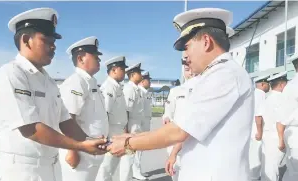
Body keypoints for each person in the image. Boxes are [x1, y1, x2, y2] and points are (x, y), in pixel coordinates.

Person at [107, 8, 254, 181]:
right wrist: (134, 137)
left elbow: (178, 132)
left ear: (206, 41)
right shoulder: (216, 75)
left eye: (187, 47)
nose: (186, 56)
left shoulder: (225, 74)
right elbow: (181, 126)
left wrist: (128, 144)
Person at [0, 8, 107, 181]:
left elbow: (65, 120)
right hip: (22, 170)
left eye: (54, 41)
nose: (53, 46)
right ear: (26, 40)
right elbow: (30, 128)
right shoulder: (11, 74)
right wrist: (80, 146)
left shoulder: (47, 80)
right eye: (46, 40)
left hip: (51, 168)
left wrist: (91, 140)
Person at [58, 36, 109, 181]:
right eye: (95, 57)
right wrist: (72, 151)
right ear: (80, 59)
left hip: (91, 151)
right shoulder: (76, 82)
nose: (99, 60)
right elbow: (67, 118)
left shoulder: (91, 82)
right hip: (80, 153)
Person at [95, 56, 133, 181]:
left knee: (111, 168)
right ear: (114, 70)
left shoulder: (117, 87)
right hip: (110, 132)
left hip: (118, 131)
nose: (124, 72)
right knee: (106, 169)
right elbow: (104, 113)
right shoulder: (109, 87)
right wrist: (105, 139)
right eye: (122, 69)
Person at [164, 59, 199, 181]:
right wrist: (167, 119)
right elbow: (167, 113)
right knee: (175, 175)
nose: (190, 73)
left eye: (191, 69)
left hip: (192, 144)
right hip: (175, 140)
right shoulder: (175, 91)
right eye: (187, 70)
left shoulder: (201, 91)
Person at [260, 72, 288, 181]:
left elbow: (260, 118)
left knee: (267, 165)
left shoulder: (267, 98)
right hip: (276, 136)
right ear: (282, 85)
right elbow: (280, 120)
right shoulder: (282, 99)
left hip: (267, 135)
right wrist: (281, 140)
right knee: (274, 167)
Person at [122, 62, 146, 180]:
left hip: (136, 126)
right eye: (139, 72)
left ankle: (132, 175)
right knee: (128, 158)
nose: (141, 75)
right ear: (132, 75)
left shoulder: (136, 89)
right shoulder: (129, 89)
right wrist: (125, 131)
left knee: (132, 156)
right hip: (130, 127)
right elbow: (126, 111)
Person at [276, 54, 298, 181]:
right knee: (295, 173)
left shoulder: (290, 86)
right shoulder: (294, 86)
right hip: (295, 133)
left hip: (291, 133)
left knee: (293, 172)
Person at [250, 74, 271, 180]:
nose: (269, 86)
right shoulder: (261, 94)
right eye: (268, 84)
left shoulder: (253, 93)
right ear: (263, 84)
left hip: (251, 129)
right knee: (256, 159)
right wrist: (260, 132)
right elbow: (259, 116)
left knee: (252, 157)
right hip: (256, 131)